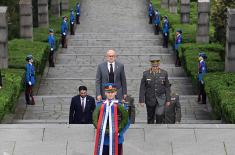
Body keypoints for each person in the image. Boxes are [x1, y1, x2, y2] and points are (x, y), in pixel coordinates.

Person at [94, 83, 130, 155]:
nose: (110, 94)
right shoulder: (100, 105)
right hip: (103, 139)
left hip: (117, 138)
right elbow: (96, 120)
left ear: (116, 92)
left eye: (112, 92)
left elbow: (127, 122)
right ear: (105, 93)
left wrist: (119, 132)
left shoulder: (122, 105)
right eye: (108, 92)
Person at [139, 57, 171, 124]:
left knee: (159, 114)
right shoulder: (145, 74)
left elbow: (167, 87)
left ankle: (159, 129)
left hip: (161, 98)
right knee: (150, 117)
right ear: (151, 65)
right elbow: (142, 88)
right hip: (150, 98)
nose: (155, 68)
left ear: (158, 65)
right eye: (154, 66)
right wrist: (141, 100)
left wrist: (168, 99)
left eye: (156, 66)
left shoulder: (164, 73)